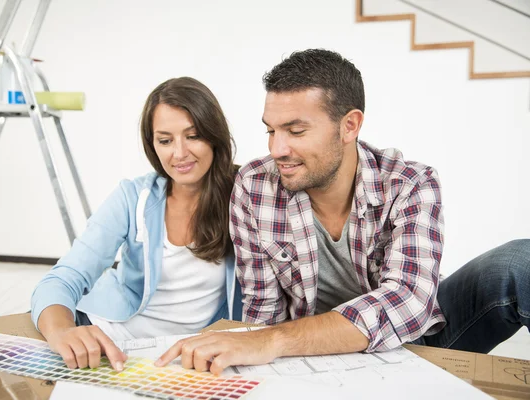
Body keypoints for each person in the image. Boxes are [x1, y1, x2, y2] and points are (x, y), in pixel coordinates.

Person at [156, 49, 530, 375]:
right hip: (310, 357)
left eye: (296, 130)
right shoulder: (254, 186)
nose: (278, 148)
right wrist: (257, 354)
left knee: (519, 262)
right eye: (271, 130)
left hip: (414, 343)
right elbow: (263, 308)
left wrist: (274, 341)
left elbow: (408, 301)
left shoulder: (411, 183)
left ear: (349, 125)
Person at [31, 77, 241, 372]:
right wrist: (62, 331)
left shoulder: (246, 195)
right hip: (112, 342)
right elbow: (63, 278)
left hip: (186, 356)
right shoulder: (132, 197)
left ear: (214, 135)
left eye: (192, 136)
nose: (179, 153)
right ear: (152, 145)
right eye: (165, 140)